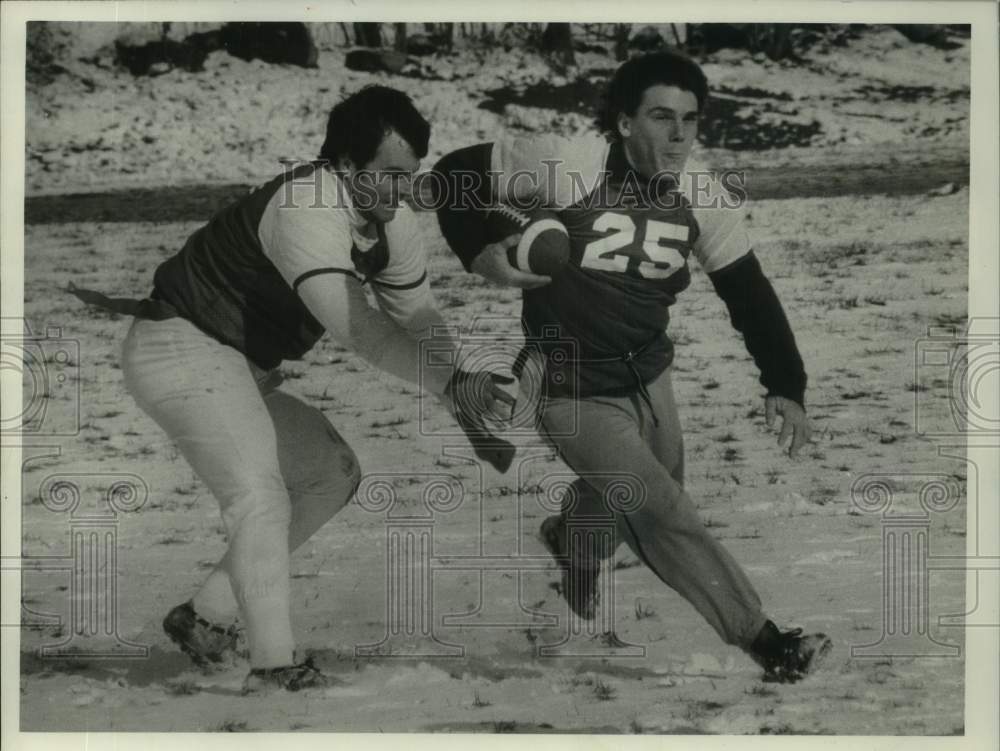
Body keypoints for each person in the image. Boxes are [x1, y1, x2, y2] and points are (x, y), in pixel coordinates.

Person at [72, 86, 511, 693]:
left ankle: (206, 615)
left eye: (410, 175)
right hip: (180, 348)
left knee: (331, 473)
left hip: (233, 363)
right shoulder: (308, 203)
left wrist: (460, 395)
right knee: (261, 498)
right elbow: (361, 330)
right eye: (387, 175)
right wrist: (453, 383)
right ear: (346, 166)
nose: (401, 190)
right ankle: (274, 666)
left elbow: (417, 320)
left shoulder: (392, 219)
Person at [432, 51, 831, 683]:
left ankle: (571, 548)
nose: (678, 136)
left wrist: (786, 384)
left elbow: (748, 291)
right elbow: (452, 174)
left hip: (649, 378)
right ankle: (768, 643)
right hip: (564, 383)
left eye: (691, 120)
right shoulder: (566, 163)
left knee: (622, 496)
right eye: (661, 117)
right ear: (623, 122)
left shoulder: (704, 195)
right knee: (661, 508)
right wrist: (480, 249)